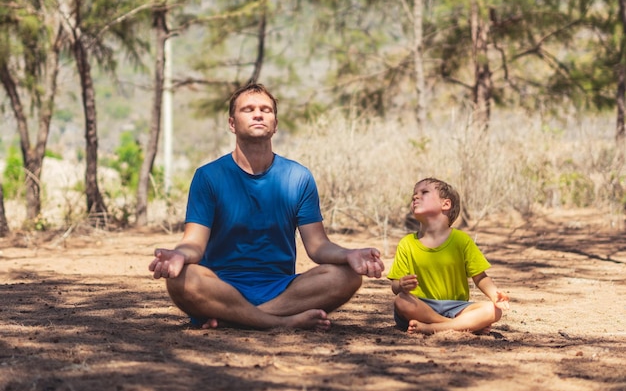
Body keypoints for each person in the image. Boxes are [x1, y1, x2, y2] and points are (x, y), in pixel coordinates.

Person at [149, 82, 384, 331]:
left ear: (275, 124)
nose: (258, 114)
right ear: (232, 124)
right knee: (180, 279)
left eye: (266, 110)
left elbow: (318, 246)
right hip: (220, 288)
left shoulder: (298, 177)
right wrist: (179, 255)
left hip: (281, 290)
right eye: (248, 109)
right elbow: (194, 243)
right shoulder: (208, 176)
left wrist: (349, 254)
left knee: (347, 276)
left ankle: (240, 319)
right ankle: (279, 323)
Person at [387, 177, 510, 334]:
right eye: (414, 194)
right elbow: (395, 287)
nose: (415, 196)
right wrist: (401, 285)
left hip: (457, 306)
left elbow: (480, 277)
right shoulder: (407, 243)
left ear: (446, 204)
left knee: (493, 310)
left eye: (424, 192)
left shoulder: (462, 240)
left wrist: (495, 295)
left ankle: (432, 328)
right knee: (401, 301)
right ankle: (460, 325)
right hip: (421, 307)